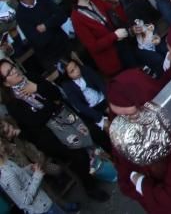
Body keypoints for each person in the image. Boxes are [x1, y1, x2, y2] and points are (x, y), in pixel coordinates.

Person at [0, 60, 110, 202]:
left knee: (94, 131)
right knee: (78, 154)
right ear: (6, 83)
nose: (14, 71)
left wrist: (37, 88)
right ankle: (90, 187)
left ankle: (117, 159)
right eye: (9, 73)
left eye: (12, 67)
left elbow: (56, 94)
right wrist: (50, 105)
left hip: (63, 115)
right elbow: (36, 121)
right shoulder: (12, 103)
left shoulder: (31, 77)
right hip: (47, 134)